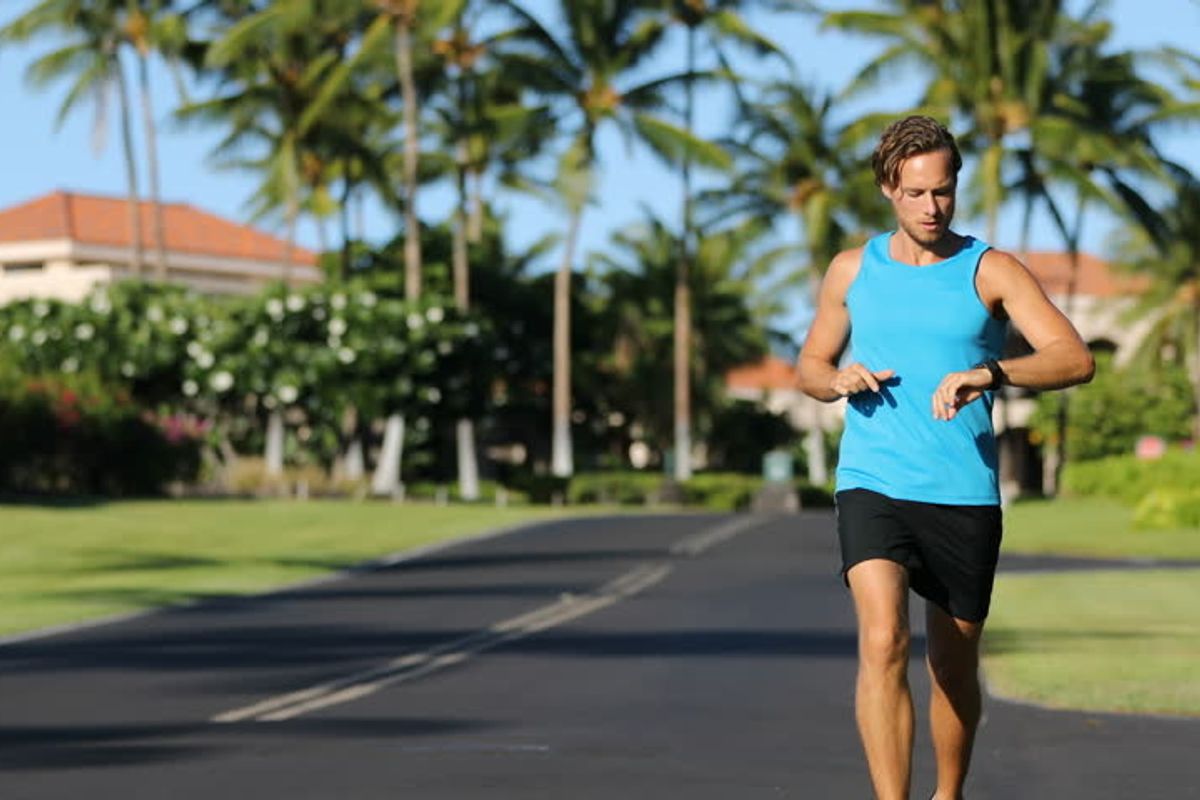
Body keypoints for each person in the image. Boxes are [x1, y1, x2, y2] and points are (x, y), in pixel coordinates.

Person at [797, 115, 1094, 800]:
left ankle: (948, 793)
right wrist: (834, 380)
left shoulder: (990, 269)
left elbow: (1073, 358)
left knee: (953, 668)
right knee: (882, 643)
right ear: (887, 190)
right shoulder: (852, 269)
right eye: (916, 194)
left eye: (944, 191)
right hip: (873, 479)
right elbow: (810, 365)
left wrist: (989, 374)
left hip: (962, 490)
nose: (932, 207)